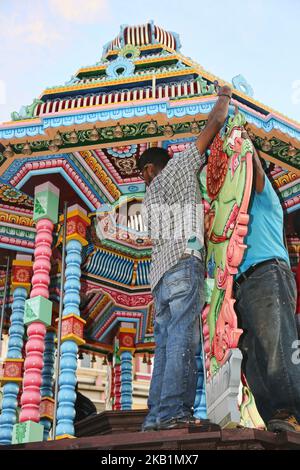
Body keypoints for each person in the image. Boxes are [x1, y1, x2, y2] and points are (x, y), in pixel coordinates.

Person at [138, 85, 232, 431]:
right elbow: (214, 124)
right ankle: (175, 412)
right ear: (158, 165)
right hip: (183, 264)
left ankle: (155, 418)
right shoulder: (177, 170)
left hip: (160, 280)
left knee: (164, 345)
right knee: (183, 337)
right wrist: (223, 96)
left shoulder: (148, 199)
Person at [233, 132, 300, 432]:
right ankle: (276, 416)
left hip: (267, 273)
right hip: (243, 285)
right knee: (253, 357)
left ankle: (292, 412)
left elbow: (256, 173)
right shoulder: (233, 212)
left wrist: (247, 149)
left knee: (278, 347)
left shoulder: (263, 195)